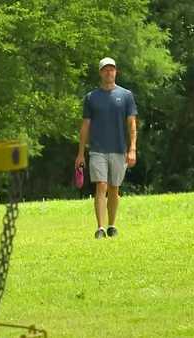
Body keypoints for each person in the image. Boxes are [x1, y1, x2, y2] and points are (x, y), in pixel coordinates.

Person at [75, 57, 138, 239]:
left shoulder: (126, 95)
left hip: (119, 149)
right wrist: (80, 154)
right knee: (101, 185)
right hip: (97, 149)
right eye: (105, 69)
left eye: (111, 69)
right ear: (101, 73)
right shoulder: (91, 97)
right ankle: (100, 228)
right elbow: (85, 125)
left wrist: (132, 148)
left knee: (114, 188)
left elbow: (132, 124)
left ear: (116, 72)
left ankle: (112, 225)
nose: (109, 72)